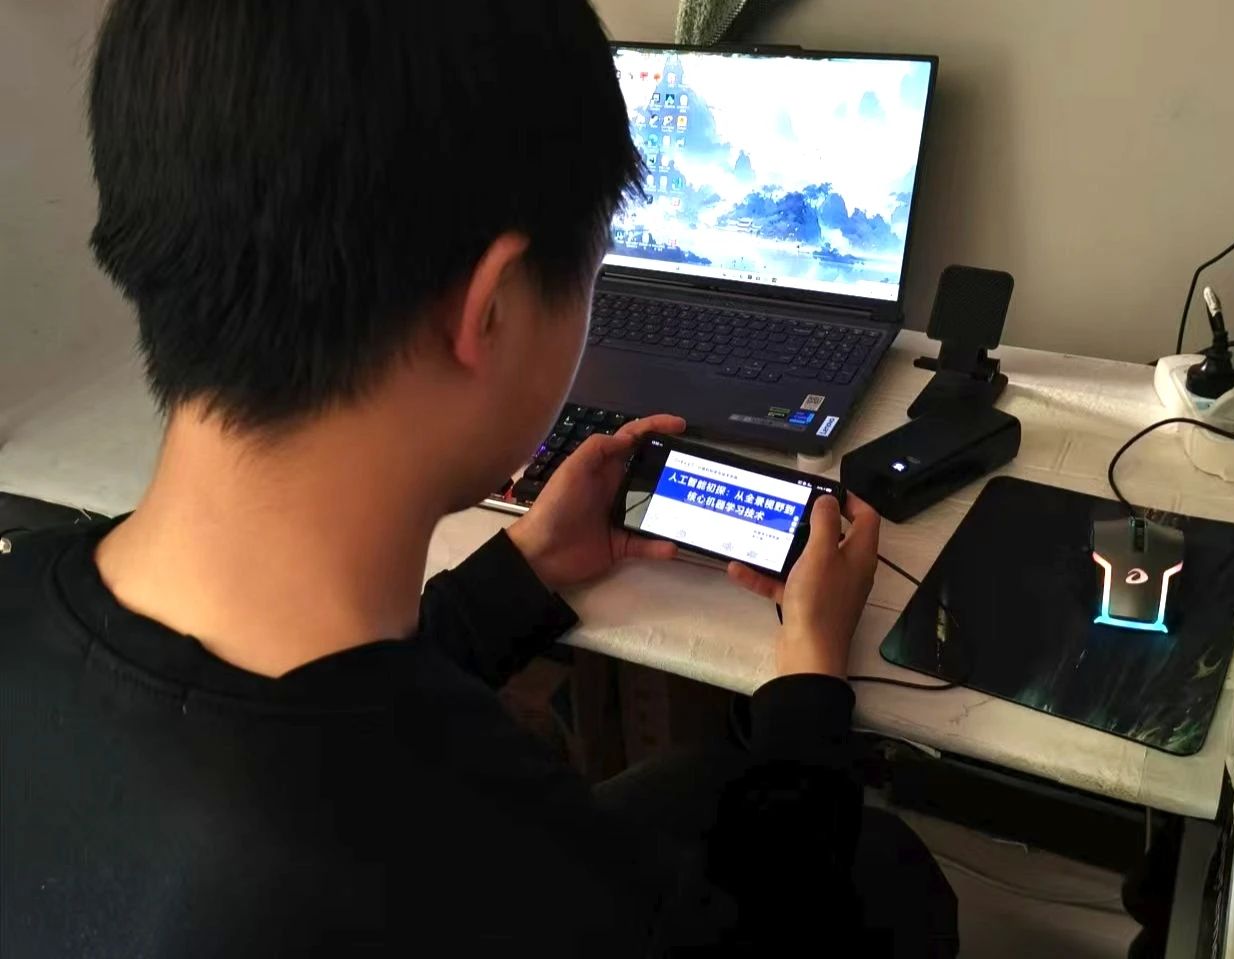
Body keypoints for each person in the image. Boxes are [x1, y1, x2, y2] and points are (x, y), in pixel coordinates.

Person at [0, 0, 956, 955]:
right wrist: (808, 675)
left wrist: (523, 572)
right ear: (491, 307)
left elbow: (307, 708)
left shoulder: (25, 583)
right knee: (886, 873)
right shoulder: (487, 864)